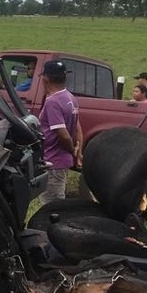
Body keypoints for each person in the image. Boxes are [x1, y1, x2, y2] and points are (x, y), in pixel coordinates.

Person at [38, 60, 83, 205]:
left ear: (45, 79)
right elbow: (78, 128)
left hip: (53, 161)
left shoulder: (53, 102)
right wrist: (78, 150)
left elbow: (63, 135)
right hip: (62, 161)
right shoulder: (70, 98)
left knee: (52, 205)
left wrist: (72, 151)